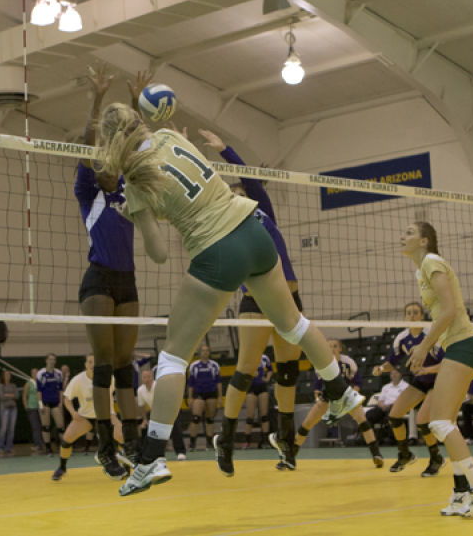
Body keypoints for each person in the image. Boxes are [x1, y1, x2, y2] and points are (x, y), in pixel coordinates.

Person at [92, 103, 363, 496]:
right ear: (140, 121)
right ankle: (340, 391)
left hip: (216, 248)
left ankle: (151, 459)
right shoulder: (170, 137)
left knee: (172, 357)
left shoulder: (135, 183)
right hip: (253, 229)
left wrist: (137, 216)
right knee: (294, 324)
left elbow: (159, 254)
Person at [196, 129, 304, 473]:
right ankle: (225, 441)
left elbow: (249, 176)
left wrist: (225, 149)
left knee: (288, 373)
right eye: (232, 193)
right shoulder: (226, 227)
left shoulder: (262, 210)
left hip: (291, 297)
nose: (238, 193)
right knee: (245, 370)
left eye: (241, 191)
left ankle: (286, 442)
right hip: (256, 300)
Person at [72, 66, 147, 479]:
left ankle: (133, 444)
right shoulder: (88, 190)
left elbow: (131, 140)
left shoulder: (124, 189)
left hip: (128, 281)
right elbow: (90, 142)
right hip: (98, 279)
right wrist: (99, 98)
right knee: (103, 363)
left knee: (125, 365)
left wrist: (136, 102)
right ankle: (105, 448)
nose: (108, 167)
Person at [400, 222, 473, 517]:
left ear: (425, 240)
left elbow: (450, 309)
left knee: (439, 423)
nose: (402, 236)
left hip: (464, 344)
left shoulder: (431, 262)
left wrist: (424, 346)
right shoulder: (421, 270)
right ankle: (460, 492)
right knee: (445, 423)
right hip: (458, 346)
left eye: (409, 232)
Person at [371, 301, 446, 477]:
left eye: (415, 312)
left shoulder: (431, 335)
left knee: (422, 421)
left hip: (438, 381)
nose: (412, 315)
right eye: (408, 313)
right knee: (394, 415)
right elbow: (392, 361)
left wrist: (426, 369)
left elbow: (446, 363)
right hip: (420, 381)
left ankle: (436, 458)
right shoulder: (402, 338)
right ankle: (405, 455)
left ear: (422, 316)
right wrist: (381, 369)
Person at [291, 339, 383, 468]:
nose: (332, 349)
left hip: (347, 395)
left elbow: (357, 384)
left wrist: (349, 398)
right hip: (328, 397)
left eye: (335, 346)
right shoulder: (321, 363)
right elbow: (317, 388)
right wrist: (319, 400)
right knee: (307, 422)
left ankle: (376, 454)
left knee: (362, 420)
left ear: (340, 348)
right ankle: (291, 456)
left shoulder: (349, 362)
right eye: (329, 346)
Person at [52, 355, 125, 481]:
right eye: (90, 362)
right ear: (86, 364)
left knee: (121, 436)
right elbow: (67, 399)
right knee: (67, 439)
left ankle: (125, 467)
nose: (92, 365)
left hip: (107, 415)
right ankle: (62, 467)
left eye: (95, 362)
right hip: (85, 417)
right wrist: (73, 413)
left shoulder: (108, 378)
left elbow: (114, 394)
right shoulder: (78, 379)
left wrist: (115, 415)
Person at [138, 369, 187, 460]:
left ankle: (180, 452)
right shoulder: (140, 390)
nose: (147, 379)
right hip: (154, 412)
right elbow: (142, 406)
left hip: (169, 409)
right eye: (144, 377)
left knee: (175, 428)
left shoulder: (158, 386)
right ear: (142, 379)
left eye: (149, 377)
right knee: (145, 428)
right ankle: (151, 454)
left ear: (152, 377)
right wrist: (145, 419)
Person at [187, 344, 223, 451]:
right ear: (199, 353)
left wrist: (220, 397)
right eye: (203, 351)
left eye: (207, 351)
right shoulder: (194, 366)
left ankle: (209, 443)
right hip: (199, 394)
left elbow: (219, 382)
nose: (205, 352)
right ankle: (192, 443)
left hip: (211, 393)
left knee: (210, 419)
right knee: (196, 418)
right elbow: (191, 383)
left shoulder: (214, 365)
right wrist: (189, 397)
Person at [242, 353, 274, 449]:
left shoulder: (264, 357)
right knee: (250, 417)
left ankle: (265, 441)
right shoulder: (247, 356)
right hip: (250, 388)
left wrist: (267, 378)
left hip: (262, 387)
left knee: (264, 416)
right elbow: (241, 372)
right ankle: (247, 441)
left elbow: (270, 369)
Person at [364, 369, 408, 436]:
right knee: (369, 415)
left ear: (400, 374)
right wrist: (383, 406)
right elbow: (380, 400)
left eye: (396, 373)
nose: (394, 375)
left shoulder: (406, 386)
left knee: (391, 413)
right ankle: (371, 437)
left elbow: (404, 401)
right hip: (383, 408)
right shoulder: (386, 387)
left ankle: (391, 436)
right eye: (392, 374)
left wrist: (390, 405)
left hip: (397, 407)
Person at [37, 353, 65, 455]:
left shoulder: (58, 374)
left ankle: (64, 447)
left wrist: (61, 402)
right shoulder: (41, 373)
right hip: (45, 403)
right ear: (46, 360)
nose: (52, 361)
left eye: (54, 359)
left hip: (55, 402)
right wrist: (40, 405)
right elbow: (39, 391)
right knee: (46, 426)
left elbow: (61, 390)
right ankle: (48, 449)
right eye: (50, 359)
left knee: (61, 426)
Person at [22, 367, 45, 455]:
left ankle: (43, 443)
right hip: (32, 408)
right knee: (36, 427)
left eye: (37, 372)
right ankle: (38, 445)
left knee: (43, 426)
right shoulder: (28, 384)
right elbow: (24, 396)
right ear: (31, 374)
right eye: (34, 373)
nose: (35, 374)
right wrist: (26, 407)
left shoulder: (41, 382)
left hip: (41, 407)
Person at [0, 370, 18, 457]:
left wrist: (8, 395)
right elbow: (1, 396)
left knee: (11, 429)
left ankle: (9, 448)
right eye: (6, 374)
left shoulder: (13, 386)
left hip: (13, 409)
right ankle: (1, 448)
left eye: (9, 375)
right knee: (4, 428)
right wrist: (11, 395)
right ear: (3, 376)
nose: (7, 376)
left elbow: (16, 395)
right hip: (4, 409)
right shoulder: (1, 386)